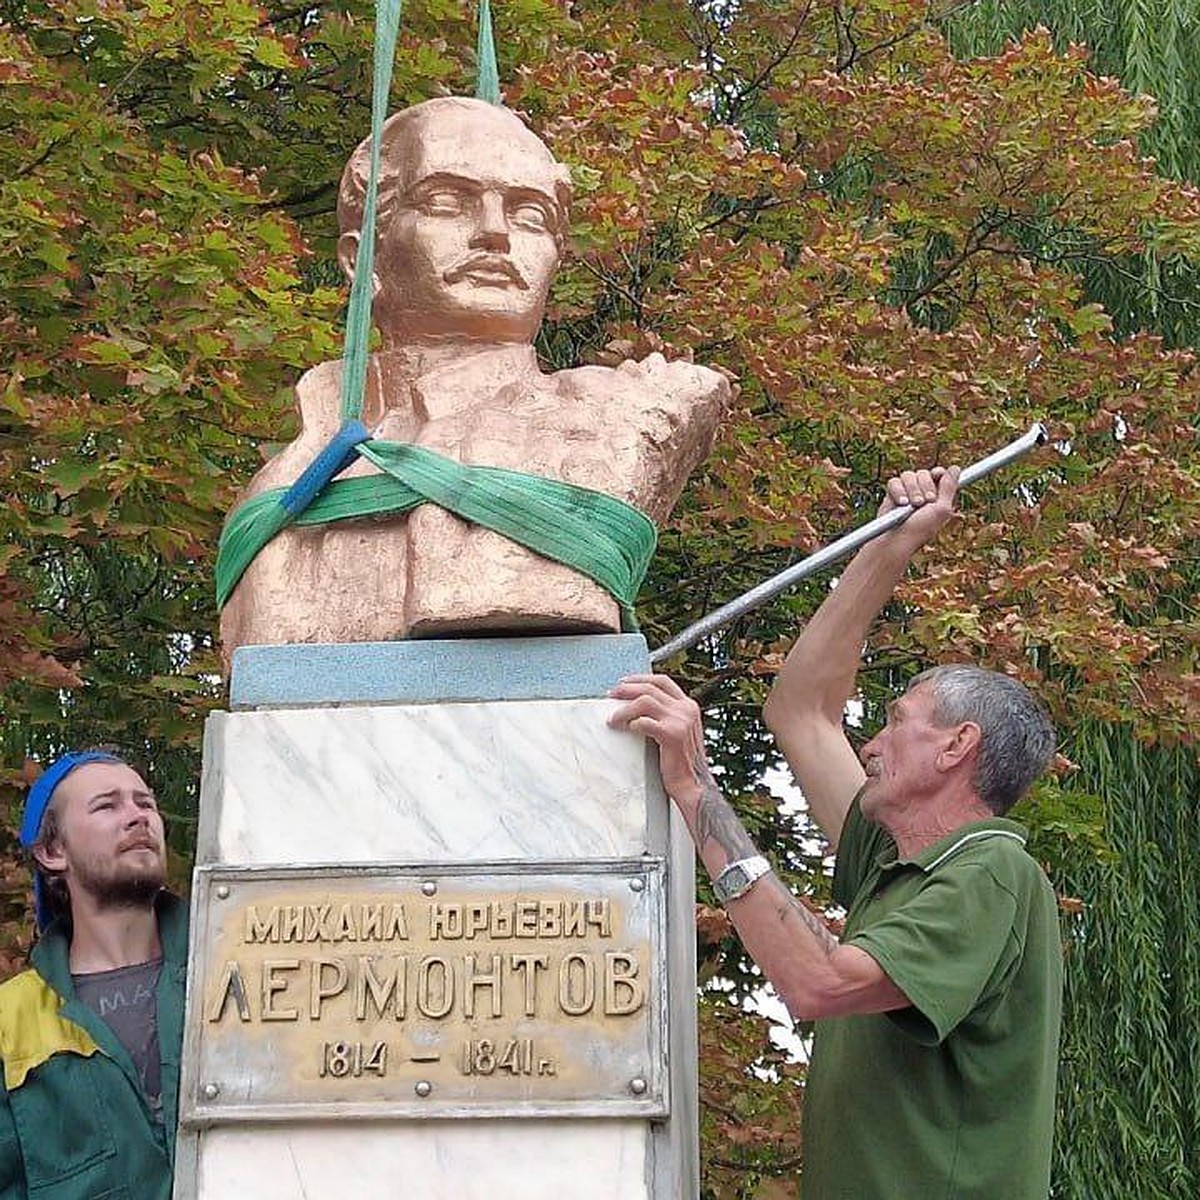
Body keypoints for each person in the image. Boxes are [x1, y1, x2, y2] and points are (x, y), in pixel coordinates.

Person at [609, 466, 1062, 1199]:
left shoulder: (992, 874)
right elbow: (801, 709)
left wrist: (695, 788)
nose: (872, 748)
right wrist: (890, 543)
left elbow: (820, 981)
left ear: (956, 748)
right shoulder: (897, 858)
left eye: (895, 725)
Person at [220, 96, 730, 655]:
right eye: (446, 202)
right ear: (360, 258)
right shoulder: (287, 482)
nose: (495, 233)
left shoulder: (625, 415)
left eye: (529, 214)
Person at [0, 751, 187, 1199]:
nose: (137, 817)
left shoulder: (229, 975)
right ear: (52, 850)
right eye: (108, 805)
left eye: (145, 803)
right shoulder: (10, 1023)